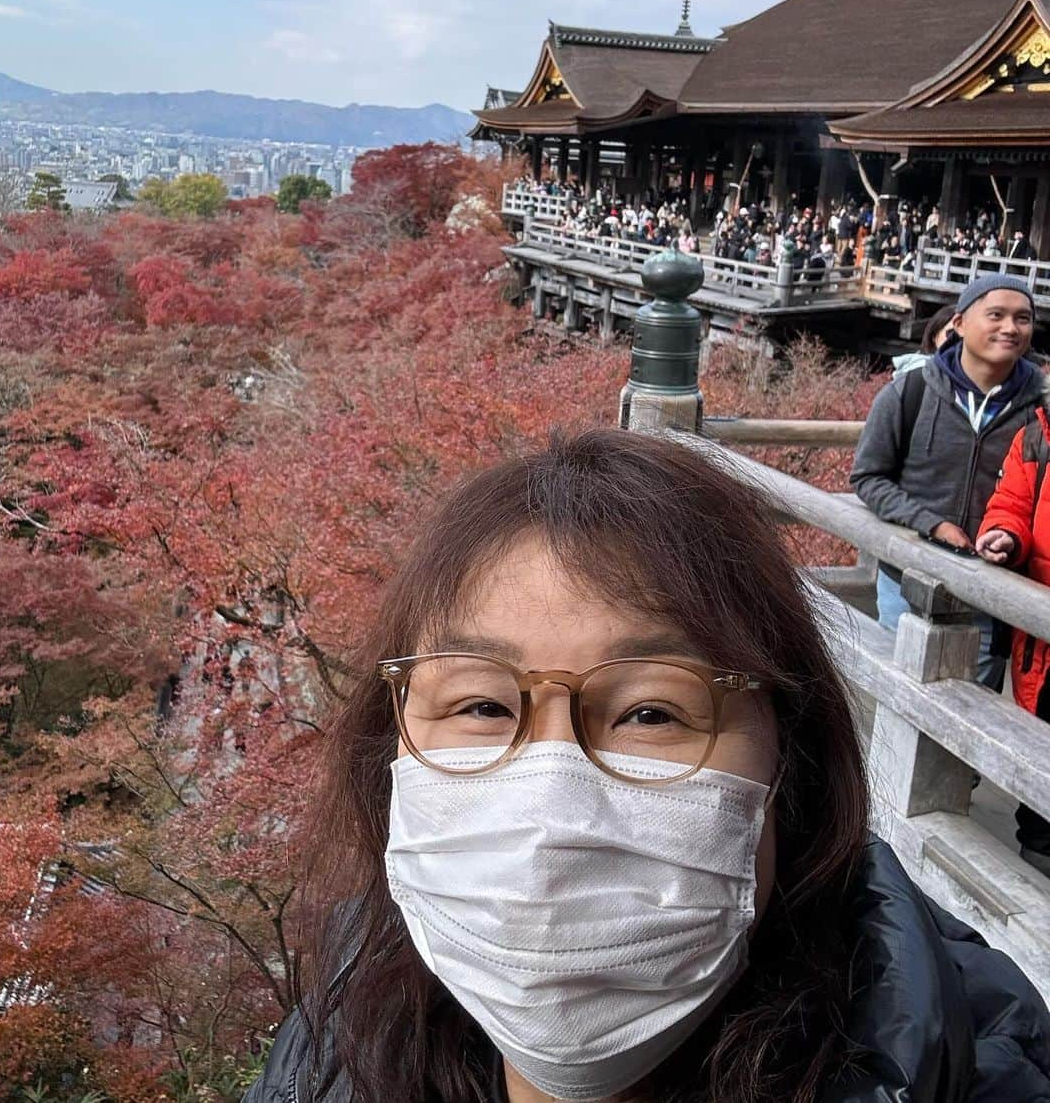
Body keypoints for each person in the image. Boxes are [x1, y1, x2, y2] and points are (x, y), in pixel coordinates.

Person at [245, 430, 1050, 1103]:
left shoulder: (974, 1071)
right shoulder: (329, 1051)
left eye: (651, 712)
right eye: (482, 706)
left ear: (789, 768)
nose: (552, 805)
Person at [851, 275, 1042, 689]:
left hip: (992, 590)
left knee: (974, 702)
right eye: (996, 315)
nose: (1010, 327)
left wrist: (1008, 537)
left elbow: (1035, 499)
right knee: (896, 695)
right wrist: (931, 525)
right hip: (907, 578)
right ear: (958, 322)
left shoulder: (1039, 410)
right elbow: (868, 476)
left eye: (1022, 318)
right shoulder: (913, 390)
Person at [977, 399, 1050, 877]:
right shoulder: (1036, 438)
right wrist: (1004, 535)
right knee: (1039, 758)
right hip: (1042, 645)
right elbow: (1010, 506)